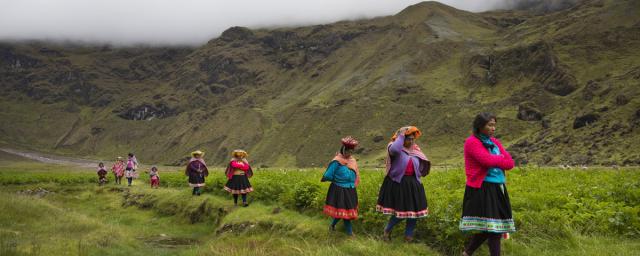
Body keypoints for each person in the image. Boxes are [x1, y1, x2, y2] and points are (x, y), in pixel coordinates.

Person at [460, 113, 516, 256]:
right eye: (490, 125)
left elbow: (510, 163)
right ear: (480, 126)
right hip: (483, 188)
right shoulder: (472, 142)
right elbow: (486, 161)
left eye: (494, 125)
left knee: (490, 228)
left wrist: (496, 158)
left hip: (497, 188)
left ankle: (467, 253)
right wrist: (500, 158)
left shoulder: (495, 142)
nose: (493, 128)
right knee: (494, 229)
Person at [376, 126, 430, 242]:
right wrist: (400, 135)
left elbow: (421, 162)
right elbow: (395, 150)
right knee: (401, 212)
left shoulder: (415, 149)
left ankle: (408, 238)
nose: (410, 141)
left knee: (413, 213)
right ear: (402, 139)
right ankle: (387, 230)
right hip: (399, 184)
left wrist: (419, 173)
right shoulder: (394, 147)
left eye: (412, 139)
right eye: (408, 139)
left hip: (414, 184)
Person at [321, 136, 360, 236]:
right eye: (348, 151)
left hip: (350, 189)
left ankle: (332, 226)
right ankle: (350, 234)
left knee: (342, 211)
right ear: (343, 150)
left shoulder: (353, 160)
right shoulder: (336, 161)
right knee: (345, 212)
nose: (349, 154)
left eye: (351, 152)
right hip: (339, 189)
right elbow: (328, 175)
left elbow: (356, 174)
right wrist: (338, 179)